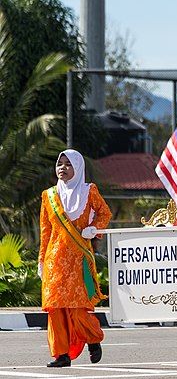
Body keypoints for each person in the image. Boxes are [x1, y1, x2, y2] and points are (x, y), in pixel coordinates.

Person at [39, 150, 111, 367]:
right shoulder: (48, 195)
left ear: (78, 168)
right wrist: (41, 260)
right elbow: (45, 230)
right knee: (55, 309)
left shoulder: (89, 191)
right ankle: (61, 355)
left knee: (78, 308)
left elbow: (105, 214)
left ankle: (93, 339)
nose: (62, 168)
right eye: (59, 164)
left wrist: (94, 229)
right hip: (54, 260)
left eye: (68, 164)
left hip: (79, 260)